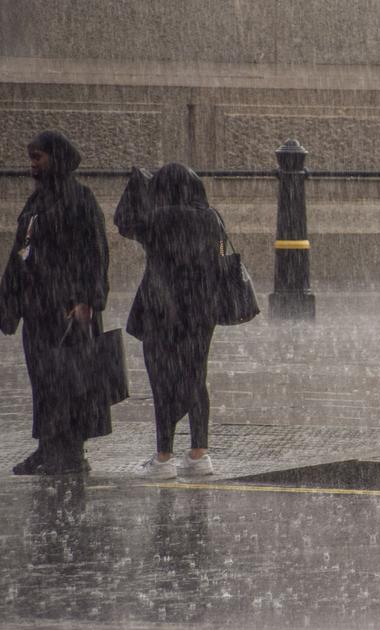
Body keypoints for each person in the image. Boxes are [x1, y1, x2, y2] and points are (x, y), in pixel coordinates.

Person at [5, 130, 111, 475]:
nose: (33, 165)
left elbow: (96, 253)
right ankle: (47, 446)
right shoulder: (36, 202)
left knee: (70, 380)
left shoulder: (79, 198)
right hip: (38, 307)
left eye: (38, 157)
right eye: (31, 157)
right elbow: (21, 252)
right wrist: (10, 301)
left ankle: (72, 453)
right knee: (43, 379)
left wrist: (88, 300)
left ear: (57, 158)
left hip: (67, 307)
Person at [115, 162, 222, 479]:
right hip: (201, 309)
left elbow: (122, 221)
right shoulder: (210, 219)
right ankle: (200, 454)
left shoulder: (155, 220)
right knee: (195, 376)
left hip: (161, 308)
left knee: (162, 379)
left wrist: (138, 184)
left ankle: (164, 458)